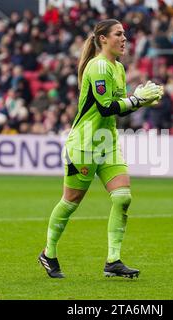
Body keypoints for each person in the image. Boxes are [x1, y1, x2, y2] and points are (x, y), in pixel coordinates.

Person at [38, 19, 163, 279]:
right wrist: (136, 100)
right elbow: (107, 107)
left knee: (123, 197)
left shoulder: (118, 68)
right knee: (70, 202)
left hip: (107, 143)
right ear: (103, 39)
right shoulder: (98, 67)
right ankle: (48, 253)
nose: (124, 38)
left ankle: (113, 261)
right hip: (84, 144)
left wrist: (140, 102)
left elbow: (119, 107)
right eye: (118, 34)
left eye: (125, 34)